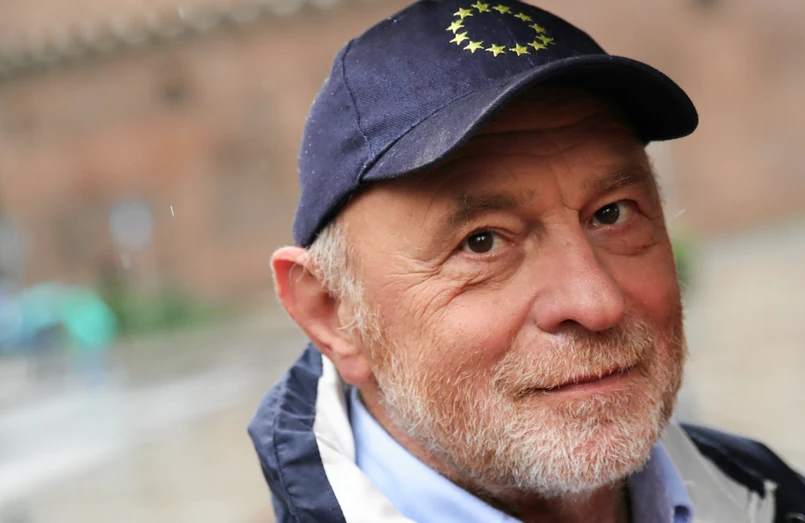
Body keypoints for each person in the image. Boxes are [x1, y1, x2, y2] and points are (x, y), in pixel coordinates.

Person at [249, 1, 805, 521]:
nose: (597, 304)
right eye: (482, 242)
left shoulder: (772, 495)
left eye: (611, 213)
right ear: (333, 313)